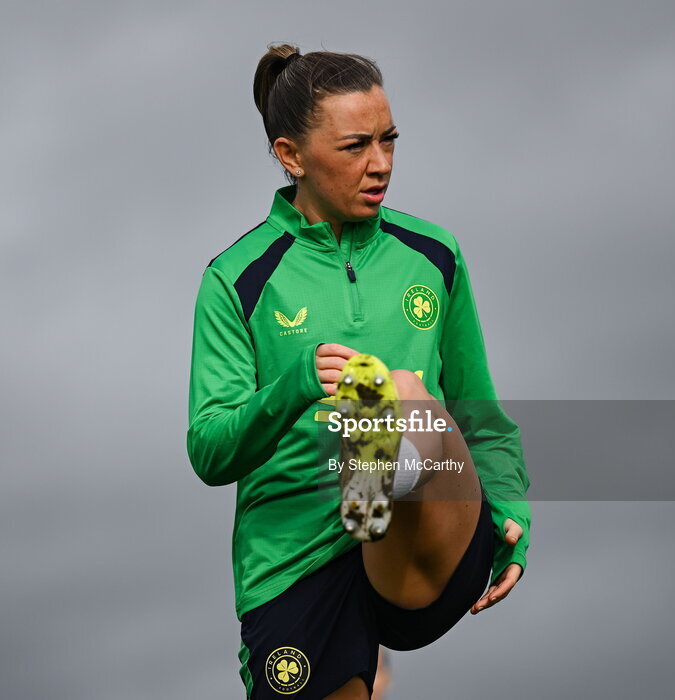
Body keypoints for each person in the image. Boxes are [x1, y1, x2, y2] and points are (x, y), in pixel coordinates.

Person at [187, 43, 531, 699]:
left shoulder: (433, 255)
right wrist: (294, 386)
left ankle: (372, 489)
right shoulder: (236, 279)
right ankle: (364, 497)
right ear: (292, 156)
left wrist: (513, 511)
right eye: (355, 147)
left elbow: (481, 416)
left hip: (426, 538)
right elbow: (209, 447)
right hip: (294, 565)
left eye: (389, 140)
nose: (381, 165)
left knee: (398, 391)